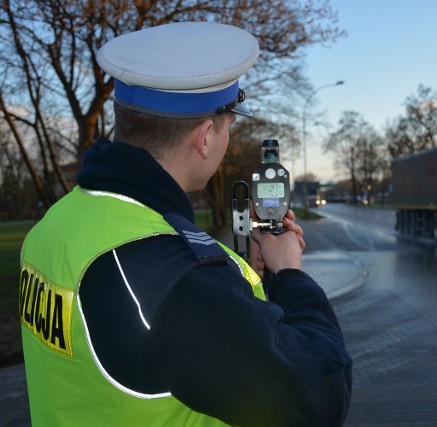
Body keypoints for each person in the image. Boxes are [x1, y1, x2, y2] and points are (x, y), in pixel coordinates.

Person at [19, 22, 352, 426]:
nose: (227, 136)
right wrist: (290, 274)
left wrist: (249, 287)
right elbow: (317, 398)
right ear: (206, 136)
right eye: (229, 124)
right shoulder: (172, 276)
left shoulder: (57, 223)